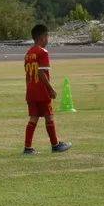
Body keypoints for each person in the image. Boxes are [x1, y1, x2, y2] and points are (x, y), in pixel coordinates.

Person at [24, 24, 72, 155]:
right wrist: (50, 89)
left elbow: (28, 75)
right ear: (42, 37)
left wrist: (28, 90)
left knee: (33, 118)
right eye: (47, 36)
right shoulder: (42, 52)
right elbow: (41, 73)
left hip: (31, 91)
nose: (48, 39)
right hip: (41, 90)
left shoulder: (28, 54)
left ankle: (27, 148)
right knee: (49, 117)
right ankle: (55, 145)